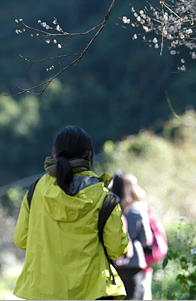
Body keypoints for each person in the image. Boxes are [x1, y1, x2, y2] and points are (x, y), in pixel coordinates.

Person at [13, 126, 130, 300]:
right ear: (89, 156)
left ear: (55, 154)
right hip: (92, 292)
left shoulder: (35, 190)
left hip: (43, 292)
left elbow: (21, 240)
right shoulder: (104, 197)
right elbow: (117, 248)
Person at [110, 171, 153, 300]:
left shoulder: (108, 208)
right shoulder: (137, 210)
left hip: (113, 262)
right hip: (134, 263)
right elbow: (146, 240)